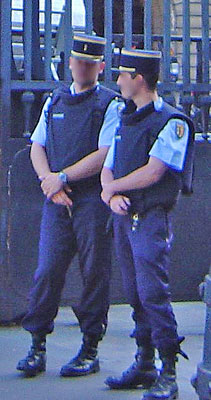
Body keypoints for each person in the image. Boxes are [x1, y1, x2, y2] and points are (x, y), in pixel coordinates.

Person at [16, 34, 122, 378]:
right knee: (47, 271)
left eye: (90, 63)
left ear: (101, 67)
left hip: (92, 199)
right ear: (70, 63)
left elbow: (105, 154)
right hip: (57, 200)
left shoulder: (110, 104)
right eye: (78, 61)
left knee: (94, 273)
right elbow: (37, 146)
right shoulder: (54, 100)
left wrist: (61, 178)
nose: (82, 67)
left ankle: (90, 347)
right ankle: (37, 345)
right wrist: (50, 182)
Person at [100, 48, 194, 400]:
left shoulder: (172, 122)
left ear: (138, 78)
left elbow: (154, 171)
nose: (119, 81)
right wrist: (110, 194)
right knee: (135, 292)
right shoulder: (128, 117)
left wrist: (111, 189)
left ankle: (168, 369)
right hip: (125, 217)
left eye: (123, 74)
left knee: (153, 293)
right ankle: (144, 362)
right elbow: (110, 164)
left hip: (151, 217)